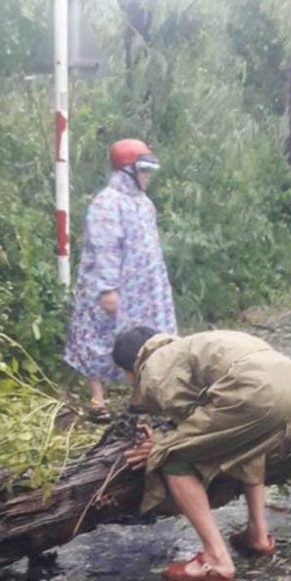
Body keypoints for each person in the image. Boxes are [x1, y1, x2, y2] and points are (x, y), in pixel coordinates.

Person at [112, 326, 291, 581]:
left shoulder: (154, 369)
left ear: (129, 369)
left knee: (172, 457)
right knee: (243, 441)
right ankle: (259, 536)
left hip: (254, 390)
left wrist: (160, 444)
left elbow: (192, 422)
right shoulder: (191, 345)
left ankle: (216, 558)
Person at [64, 139, 176, 421]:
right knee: (99, 338)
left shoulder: (144, 204)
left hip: (143, 289)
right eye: (143, 170)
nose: (147, 177)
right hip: (112, 287)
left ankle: (138, 397)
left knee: (143, 338)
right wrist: (107, 288)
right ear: (127, 170)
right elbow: (105, 247)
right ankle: (97, 400)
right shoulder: (107, 203)